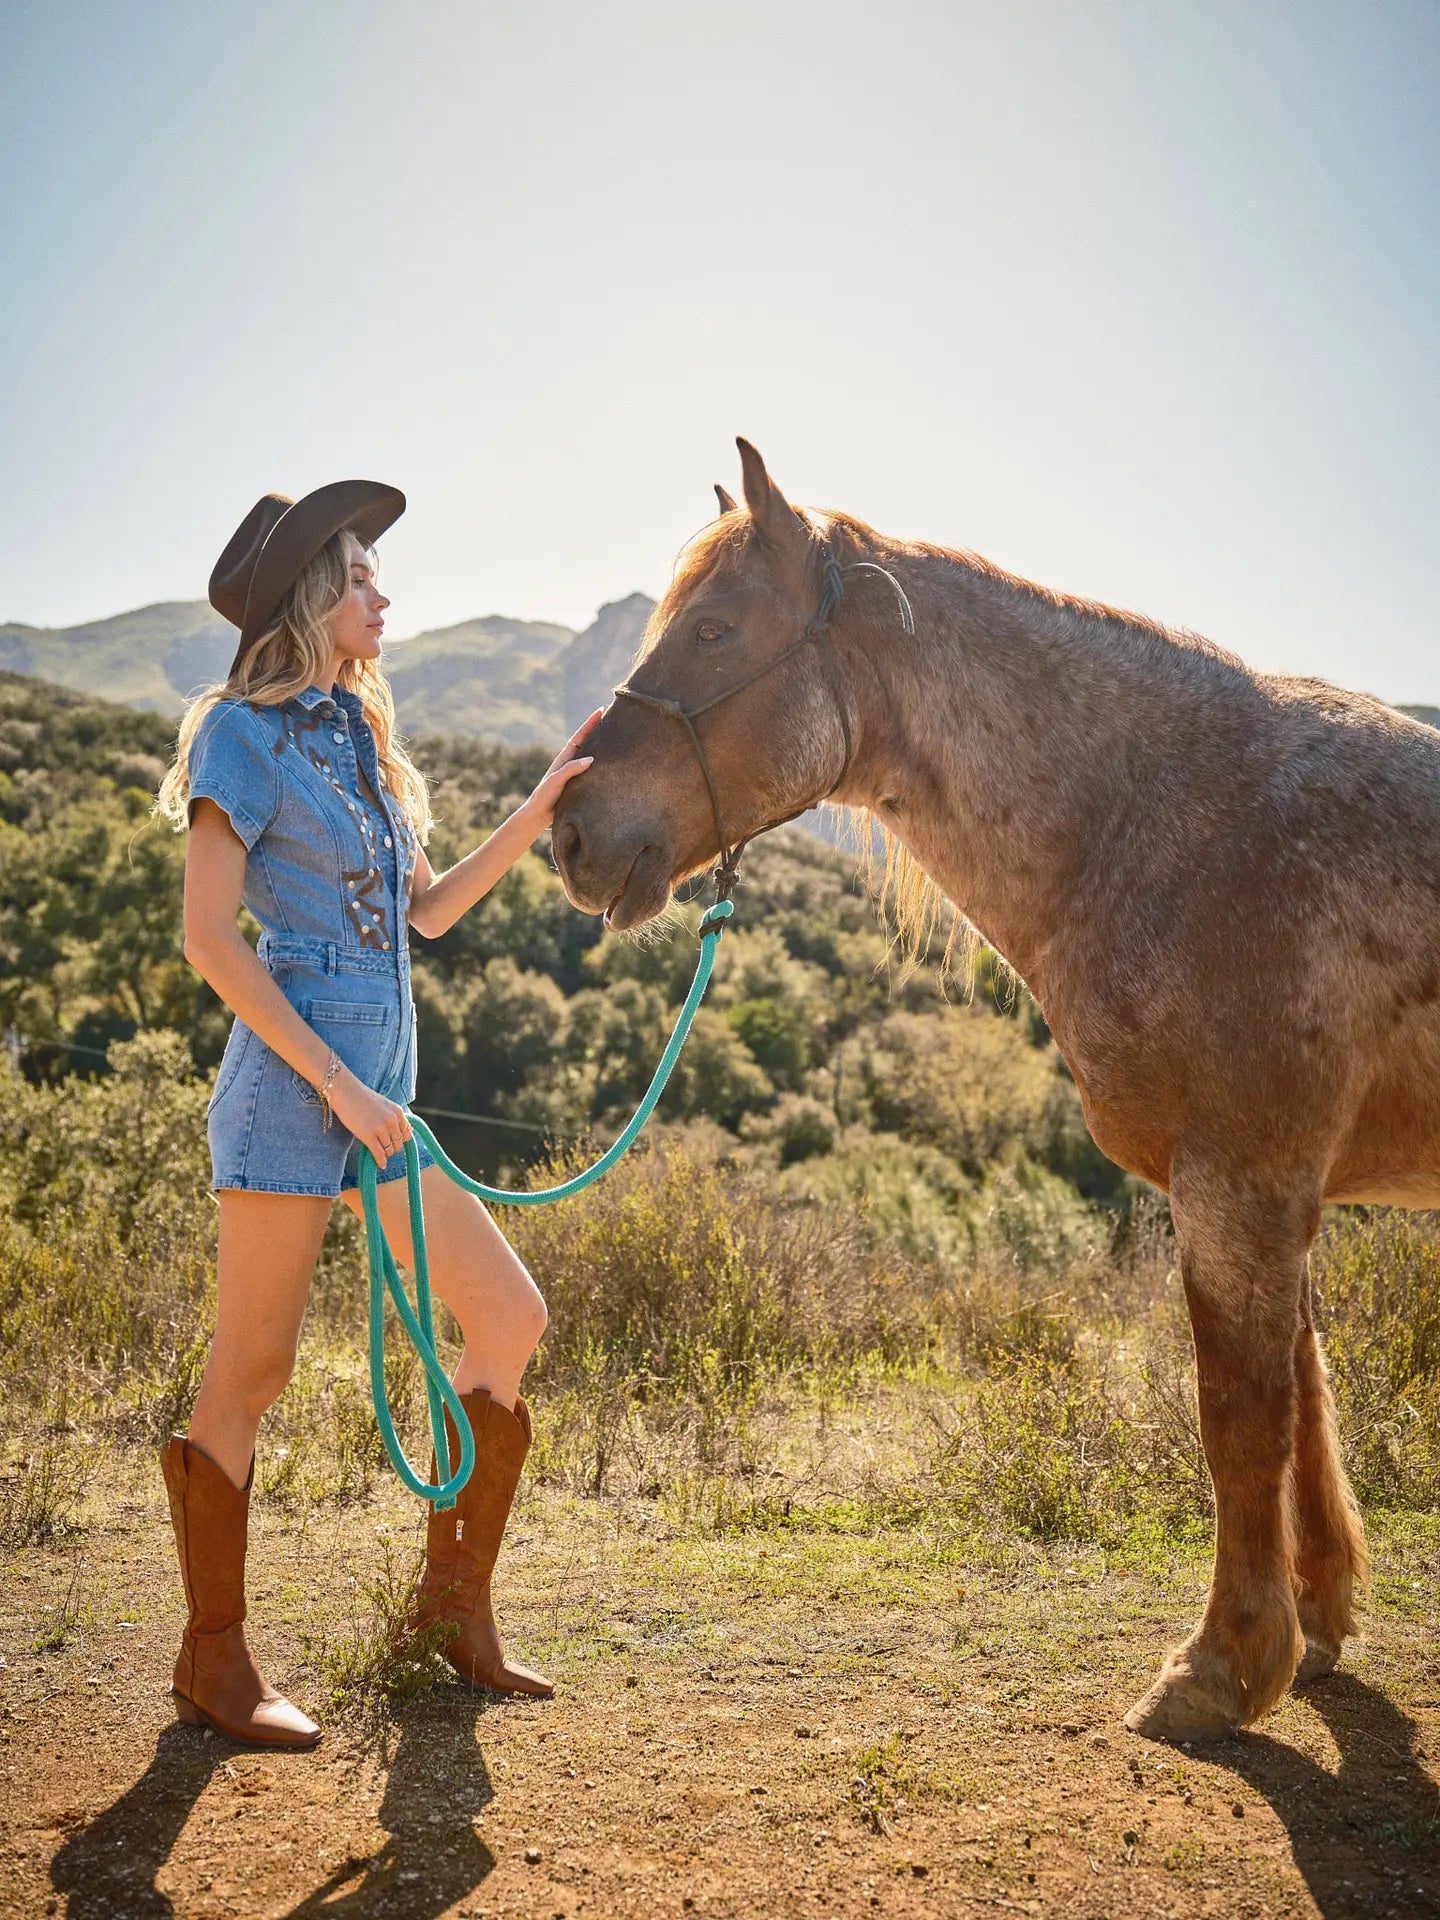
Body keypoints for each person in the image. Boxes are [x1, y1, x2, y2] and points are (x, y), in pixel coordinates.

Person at [154, 481, 597, 1748]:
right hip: (295, 1089)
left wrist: (542, 804)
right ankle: (214, 1660)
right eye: (359, 575)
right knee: (255, 1370)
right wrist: (338, 1085)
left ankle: (448, 1615)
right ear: (310, 596)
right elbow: (208, 940)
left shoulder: (357, 736)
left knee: (510, 1316)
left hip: (382, 1104)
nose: (382, 594)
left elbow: (427, 912)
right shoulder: (238, 737)